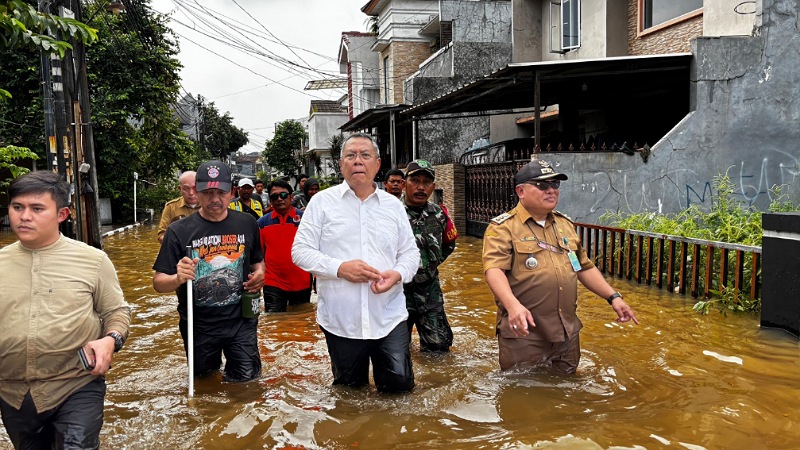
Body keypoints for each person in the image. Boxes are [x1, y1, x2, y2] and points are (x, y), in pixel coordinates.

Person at [0, 171, 131, 449]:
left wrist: (111, 340)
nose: (24, 217)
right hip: (13, 392)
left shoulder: (93, 260)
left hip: (76, 384)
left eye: (37, 209)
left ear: (62, 214)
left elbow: (116, 312)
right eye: (17, 207)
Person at [482, 159, 639, 373]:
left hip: (567, 331)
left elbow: (583, 267)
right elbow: (493, 270)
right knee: (521, 394)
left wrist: (614, 297)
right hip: (525, 333)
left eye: (555, 184)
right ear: (521, 191)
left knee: (566, 391)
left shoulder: (564, 224)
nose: (551, 191)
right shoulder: (503, 228)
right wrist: (512, 306)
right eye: (542, 185)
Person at [292, 132, 420, 393]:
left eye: (365, 155)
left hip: (389, 315)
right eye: (350, 156)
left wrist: (397, 274)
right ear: (341, 165)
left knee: (400, 389)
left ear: (377, 164)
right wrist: (340, 268)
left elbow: (410, 254)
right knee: (349, 394)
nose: (357, 161)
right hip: (341, 320)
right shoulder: (321, 203)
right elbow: (300, 251)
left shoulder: (393, 206)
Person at [153, 160, 265, 382]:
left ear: (231, 192)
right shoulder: (178, 230)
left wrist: (261, 274)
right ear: (197, 192)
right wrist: (178, 278)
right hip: (199, 325)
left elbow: (257, 262)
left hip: (241, 321)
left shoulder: (247, 223)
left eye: (221, 192)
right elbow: (158, 282)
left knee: (247, 384)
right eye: (208, 192)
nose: (215, 199)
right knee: (204, 384)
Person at [402, 160, 459, 352]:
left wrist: (431, 265)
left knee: (439, 348)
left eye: (426, 182)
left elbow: (449, 244)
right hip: (396, 292)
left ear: (433, 187)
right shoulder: (390, 213)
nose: (421, 187)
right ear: (404, 184)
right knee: (397, 349)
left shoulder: (439, 214)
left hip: (430, 290)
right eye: (415, 180)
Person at [256, 179, 312, 312]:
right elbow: (258, 254)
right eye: (275, 196)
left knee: (301, 322)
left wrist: (317, 278)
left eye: (283, 195)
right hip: (273, 281)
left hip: (301, 280)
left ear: (291, 197)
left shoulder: (305, 219)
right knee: (274, 321)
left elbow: (315, 249)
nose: (279, 199)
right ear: (270, 200)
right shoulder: (262, 223)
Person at [157, 170, 199, 243]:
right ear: (180, 189)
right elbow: (161, 235)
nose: (191, 193)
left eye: (195, 188)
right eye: (186, 189)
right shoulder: (171, 207)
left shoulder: (210, 206)